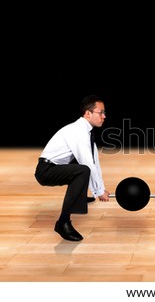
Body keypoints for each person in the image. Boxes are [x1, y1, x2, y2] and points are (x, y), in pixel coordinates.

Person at [34, 94, 110, 241]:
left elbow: (95, 163)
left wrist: (99, 189)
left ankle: (79, 196)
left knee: (84, 167)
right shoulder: (78, 131)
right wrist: (99, 192)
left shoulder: (86, 132)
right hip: (46, 170)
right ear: (88, 113)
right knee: (83, 170)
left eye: (104, 112)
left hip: (58, 167)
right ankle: (63, 223)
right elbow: (87, 164)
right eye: (101, 112)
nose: (104, 116)